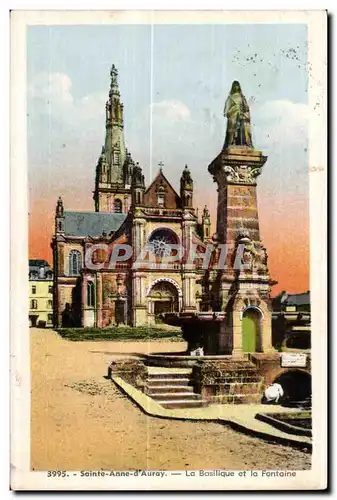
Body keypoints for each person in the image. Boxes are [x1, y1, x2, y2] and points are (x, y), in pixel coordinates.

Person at [223, 80, 253, 148]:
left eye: (237, 85)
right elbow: (226, 110)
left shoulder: (242, 97)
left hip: (241, 115)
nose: (236, 87)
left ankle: (244, 143)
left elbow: (246, 107)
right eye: (235, 85)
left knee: (243, 127)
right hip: (233, 115)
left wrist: (244, 112)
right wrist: (233, 110)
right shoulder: (230, 97)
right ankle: (231, 142)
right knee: (233, 127)